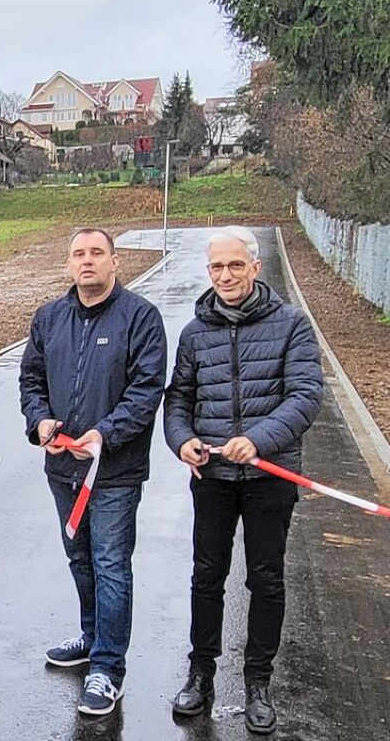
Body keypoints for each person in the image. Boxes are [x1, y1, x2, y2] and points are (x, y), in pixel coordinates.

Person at [164, 228, 323, 735]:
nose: (226, 276)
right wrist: (181, 439)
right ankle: (201, 672)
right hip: (212, 475)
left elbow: (305, 396)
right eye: (217, 268)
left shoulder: (292, 325)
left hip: (269, 477)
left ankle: (258, 681)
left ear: (255, 267)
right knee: (206, 575)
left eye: (236, 266)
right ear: (207, 271)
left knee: (265, 578)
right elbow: (179, 399)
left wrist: (257, 438)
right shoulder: (194, 331)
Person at [19, 227, 166, 716]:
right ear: (68, 264)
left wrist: (105, 433)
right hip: (62, 468)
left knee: (109, 564)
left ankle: (107, 669)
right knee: (80, 560)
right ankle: (91, 635)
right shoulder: (49, 318)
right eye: (78, 254)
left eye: (96, 253)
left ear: (114, 261)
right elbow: (30, 379)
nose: (87, 262)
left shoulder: (140, 318)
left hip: (115, 473)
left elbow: (147, 391)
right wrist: (39, 419)